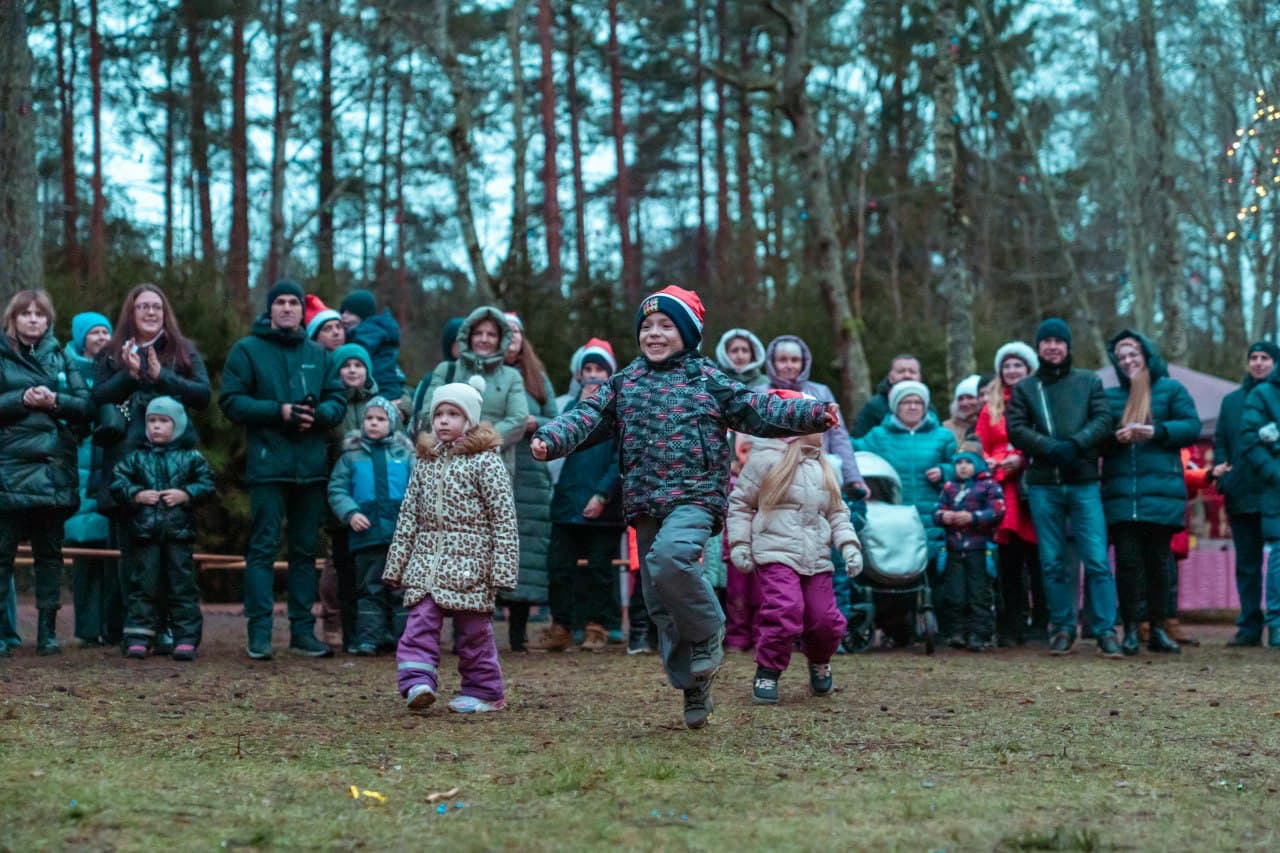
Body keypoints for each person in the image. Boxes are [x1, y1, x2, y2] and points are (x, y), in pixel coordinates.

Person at [532, 286, 840, 729]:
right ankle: (694, 685)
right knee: (660, 602)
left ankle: (710, 628)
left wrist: (811, 416)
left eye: (666, 326)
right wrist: (550, 439)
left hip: (695, 497)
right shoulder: (624, 385)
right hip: (643, 502)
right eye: (647, 326)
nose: (654, 334)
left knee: (670, 559)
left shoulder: (707, 379)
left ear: (689, 333)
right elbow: (584, 416)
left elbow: (757, 407)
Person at [219, 279, 347, 660]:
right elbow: (231, 401)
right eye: (281, 302)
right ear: (270, 309)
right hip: (267, 467)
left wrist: (317, 416)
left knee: (305, 553)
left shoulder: (319, 354)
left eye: (293, 302)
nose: (287, 308)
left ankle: (302, 633)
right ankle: (259, 634)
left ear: (300, 310)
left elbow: (337, 400)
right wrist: (280, 411)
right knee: (262, 550)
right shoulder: (247, 351)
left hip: (310, 468)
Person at [385, 376, 519, 714]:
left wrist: (503, 569)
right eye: (439, 414)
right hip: (427, 564)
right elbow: (408, 517)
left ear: (469, 420)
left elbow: (503, 518)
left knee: (474, 635)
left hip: (471, 567)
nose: (444, 420)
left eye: (453, 414)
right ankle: (417, 683)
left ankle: (486, 691)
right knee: (419, 623)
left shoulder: (486, 461)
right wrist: (396, 565)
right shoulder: (425, 461)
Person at [93, 283, 212, 652]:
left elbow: (204, 396)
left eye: (156, 307)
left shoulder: (184, 350)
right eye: (142, 306)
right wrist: (129, 375)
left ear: (165, 312)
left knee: (174, 556)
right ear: (131, 312)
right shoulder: (113, 352)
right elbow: (94, 400)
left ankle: (170, 628)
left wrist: (162, 376)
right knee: (133, 553)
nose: (149, 312)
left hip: (175, 467)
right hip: (128, 464)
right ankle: (133, 629)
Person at [1006, 318, 1120, 658]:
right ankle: (1063, 628)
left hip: (1083, 481)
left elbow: (1103, 420)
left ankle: (1105, 630)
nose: (1053, 346)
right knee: (1053, 562)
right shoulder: (1026, 388)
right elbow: (1016, 428)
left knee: (1097, 559)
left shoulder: (1089, 381)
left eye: (1059, 340)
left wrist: (1075, 444)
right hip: (1043, 485)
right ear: (1039, 347)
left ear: (1068, 346)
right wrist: (1048, 447)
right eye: (1047, 341)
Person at [727, 419, 862, 705]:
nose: (823, 430)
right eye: (817, 423)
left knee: (824, 619)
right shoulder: (765, 459)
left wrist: (849, 545)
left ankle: (819, 660)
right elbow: (740, 504)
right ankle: (768, 669)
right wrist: (740, 543)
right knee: (785, 609)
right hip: (775, 551)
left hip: (816, 556)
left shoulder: (822, 466)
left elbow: (837, 512)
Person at [0, 290, 92, 657]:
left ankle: (47, 634)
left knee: (50, 557)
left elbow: (87, 406)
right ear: (14, 318)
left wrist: (55, 401)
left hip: (53, 471)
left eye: (40, 314)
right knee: (2, 556)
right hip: (8, 471)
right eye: (26, 313)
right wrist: (21, 399)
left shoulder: (63, 357)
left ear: (49, 320)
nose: (33, 320)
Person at [1099, 331, 1200, 655]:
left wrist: (1154, 432)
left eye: (1133, 354)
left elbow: (1191, 427)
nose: (1127, 360)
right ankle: (1130, 628)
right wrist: (1116, 438)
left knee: (1159, 563)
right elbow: (1097, 438)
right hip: (1121, 493)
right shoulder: (1110, 396)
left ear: (1146, 355)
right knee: (1128, 564)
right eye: (1121, 356)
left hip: (1161, 492)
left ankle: (1158, 628)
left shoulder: (1171, 390)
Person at [529, 339, 624, 653]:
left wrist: (603, 495)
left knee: (600, 569)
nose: (594, 375)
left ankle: (597, 627)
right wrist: (577, 407)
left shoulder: (620, 411)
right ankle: (562, 625)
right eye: (588, 369)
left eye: (600, 370)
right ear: (579, 374)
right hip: (567, 501)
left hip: (605, 506)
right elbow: (558, 439)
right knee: (559, 566)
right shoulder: (568, 407)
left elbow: (620, 459)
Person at [110, 397, 214, 660]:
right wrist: (136, 495)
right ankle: (138, 636)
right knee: (143, 585)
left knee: (182, 586)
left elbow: (207, 484)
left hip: (179, 534)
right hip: (145, 533)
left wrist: (186, 494)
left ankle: (185, 638)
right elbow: (117, 483)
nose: (156, 426)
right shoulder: (136, 458)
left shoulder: (192, 458)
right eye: (152, 421)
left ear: (177, 426)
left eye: (163, 421)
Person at [328, 396, 414, 656]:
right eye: (369, 418)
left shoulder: (406, 456)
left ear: (393, 423)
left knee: (401, 589)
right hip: (366, 535)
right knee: (369, 587)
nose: (374, 423)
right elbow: (337, 490)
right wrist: (351, 513)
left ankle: (404, 639)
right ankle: (368, 638)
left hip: (401, 537)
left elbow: (420, 490)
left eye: (381, 419)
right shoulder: (350, 457)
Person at [975, 341, 1046, 646]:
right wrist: (989, 460)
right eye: (1007, 365)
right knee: (1008, 561)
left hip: (1033, 486)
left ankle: (1042, 622)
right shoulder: (990, 405)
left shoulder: (1040, 399)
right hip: (1002, 490)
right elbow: (980, 443)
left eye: (1018, 365)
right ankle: (1011, 623)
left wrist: (1022, 457)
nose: (1013, 370)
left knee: (1039, 560)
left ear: (1029, 369)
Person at [1213, 341, 1279, 647]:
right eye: (1253, 357)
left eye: (1265, 358)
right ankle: (1250, 625)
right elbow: (1222, 442)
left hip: (1273, 490)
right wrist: (1222, 475)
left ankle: (1275, 623)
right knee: (1248, 563)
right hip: (1241, 492)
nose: (1259, 363)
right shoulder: (1231, 402)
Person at [410, 306, 528, 475]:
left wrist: (476, 442)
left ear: (501, 339)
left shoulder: (511, 377)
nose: (484, 339)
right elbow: (428, 413)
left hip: (493, 471)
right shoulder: (446, 370)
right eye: (478, 333)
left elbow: (518, 420)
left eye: (491, 334)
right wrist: (455, 439)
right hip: (446, 468)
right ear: (467, 336)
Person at [852, 381, 956, 567]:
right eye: (906, 402)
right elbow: (852, 453)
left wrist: (944, 471)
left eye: (918, 402)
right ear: (895, 406)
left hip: (934, 517)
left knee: (935, 575)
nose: (913, 406)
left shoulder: (943, 436)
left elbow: (960, 467)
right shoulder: (878, 436)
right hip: (895, 520)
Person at [318, 343, 379, 652]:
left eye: (359, 364)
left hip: (376, 505)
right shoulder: (330, 407)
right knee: (343, 570)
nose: (353, 370)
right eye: (346, 365)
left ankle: (377, 632)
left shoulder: (381, 407)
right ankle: (350, 632)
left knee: (373, 572)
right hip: (341, 503)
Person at [500, 312, 555, 652]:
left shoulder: (537, 376)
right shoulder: (483, 373)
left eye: (516, 331)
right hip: (493, 462)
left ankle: (518, 632)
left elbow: (559, 418)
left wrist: (537, 422)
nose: (511, 337)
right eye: (504, 331)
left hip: (530, 471)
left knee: (527, 549)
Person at [64, 311, 116, 647]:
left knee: (111, 557)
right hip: (75, 469)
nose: (100, 337)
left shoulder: (115, 369)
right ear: (81, 337)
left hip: (107, 468)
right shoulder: (64, 370)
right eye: (94, 332)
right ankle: (86, 628)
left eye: (105, 332)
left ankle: (112, 625)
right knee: (83, 554)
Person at [764, 335, 865, 496]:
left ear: (803, 363)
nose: (789, 365)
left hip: (819, 474)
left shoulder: (821, 392)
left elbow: (838, 436)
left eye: (795, 360)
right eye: (782, 360)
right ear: (772, 363)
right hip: (772, 474)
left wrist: (853, 477)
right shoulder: (760, 393)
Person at [934, 451, 1005, 652]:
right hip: (953, 549)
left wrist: (973, 518)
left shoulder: (989, 486)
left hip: (980, 549)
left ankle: (979, 635)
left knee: (979, 593)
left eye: (968, 462)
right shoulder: (949, 487)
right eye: (959, 463)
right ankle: (956, 632)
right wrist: (944, 516)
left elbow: (997, 511)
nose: (963, 467)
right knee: (954, 592)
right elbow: (936, 511)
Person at [339, 289, 407, 399]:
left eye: (350, 313)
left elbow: (356, 354)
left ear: (362, 315)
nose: (343, 316)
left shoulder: (367, 335)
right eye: (342, 312)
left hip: (383, 390)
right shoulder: (373, 333)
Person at [852, 354, 923, 438]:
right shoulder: (874, 406)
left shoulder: (928, 407)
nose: (907, 375)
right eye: (901, 371)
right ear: (890, 377)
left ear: (919, 377)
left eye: (912, 372)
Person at [942, 374, 982, 451]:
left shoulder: (992, 425)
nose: (964, 403)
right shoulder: (946, 428)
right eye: (960, 399)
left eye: (970, 397)